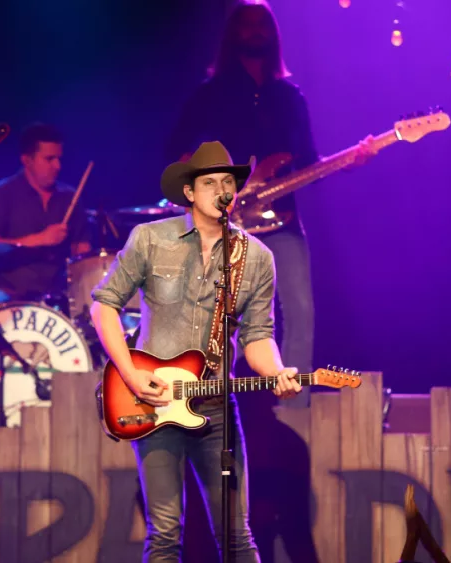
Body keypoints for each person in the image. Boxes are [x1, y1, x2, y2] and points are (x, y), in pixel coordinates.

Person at [90, 141, 301, 562]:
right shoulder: (150, 239)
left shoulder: (257, 257)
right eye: (210, 183)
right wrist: (131, 374)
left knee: (237, 534)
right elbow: (103, 305)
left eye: (228, 182)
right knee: (165, 533)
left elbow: (259, 335)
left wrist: (276, 370)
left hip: (217, 407)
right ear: (189, 191)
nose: (221, 190)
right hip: (154, 402)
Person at [165, 0, 375, 408]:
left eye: (263, 23)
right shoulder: (210, 96)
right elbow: (176, 152)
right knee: (218, 317)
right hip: (226, 222)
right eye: (247, 24)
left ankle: (293, 409)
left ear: (274, 35)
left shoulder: (289, 97)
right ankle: (213, 405)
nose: (255, 30)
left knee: (300, 310)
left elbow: (310, 163)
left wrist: (351, 162)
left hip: (282, 220)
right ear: (232, 35)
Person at [0, 122, 91, 309]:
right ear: (27, 160)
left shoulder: (70, 197)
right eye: (49, 159)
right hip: (5, 290)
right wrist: (39, 239)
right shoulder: (1, 193)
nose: (57, 166)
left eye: (59, 159)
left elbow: (82, 251)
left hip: (55, 294)